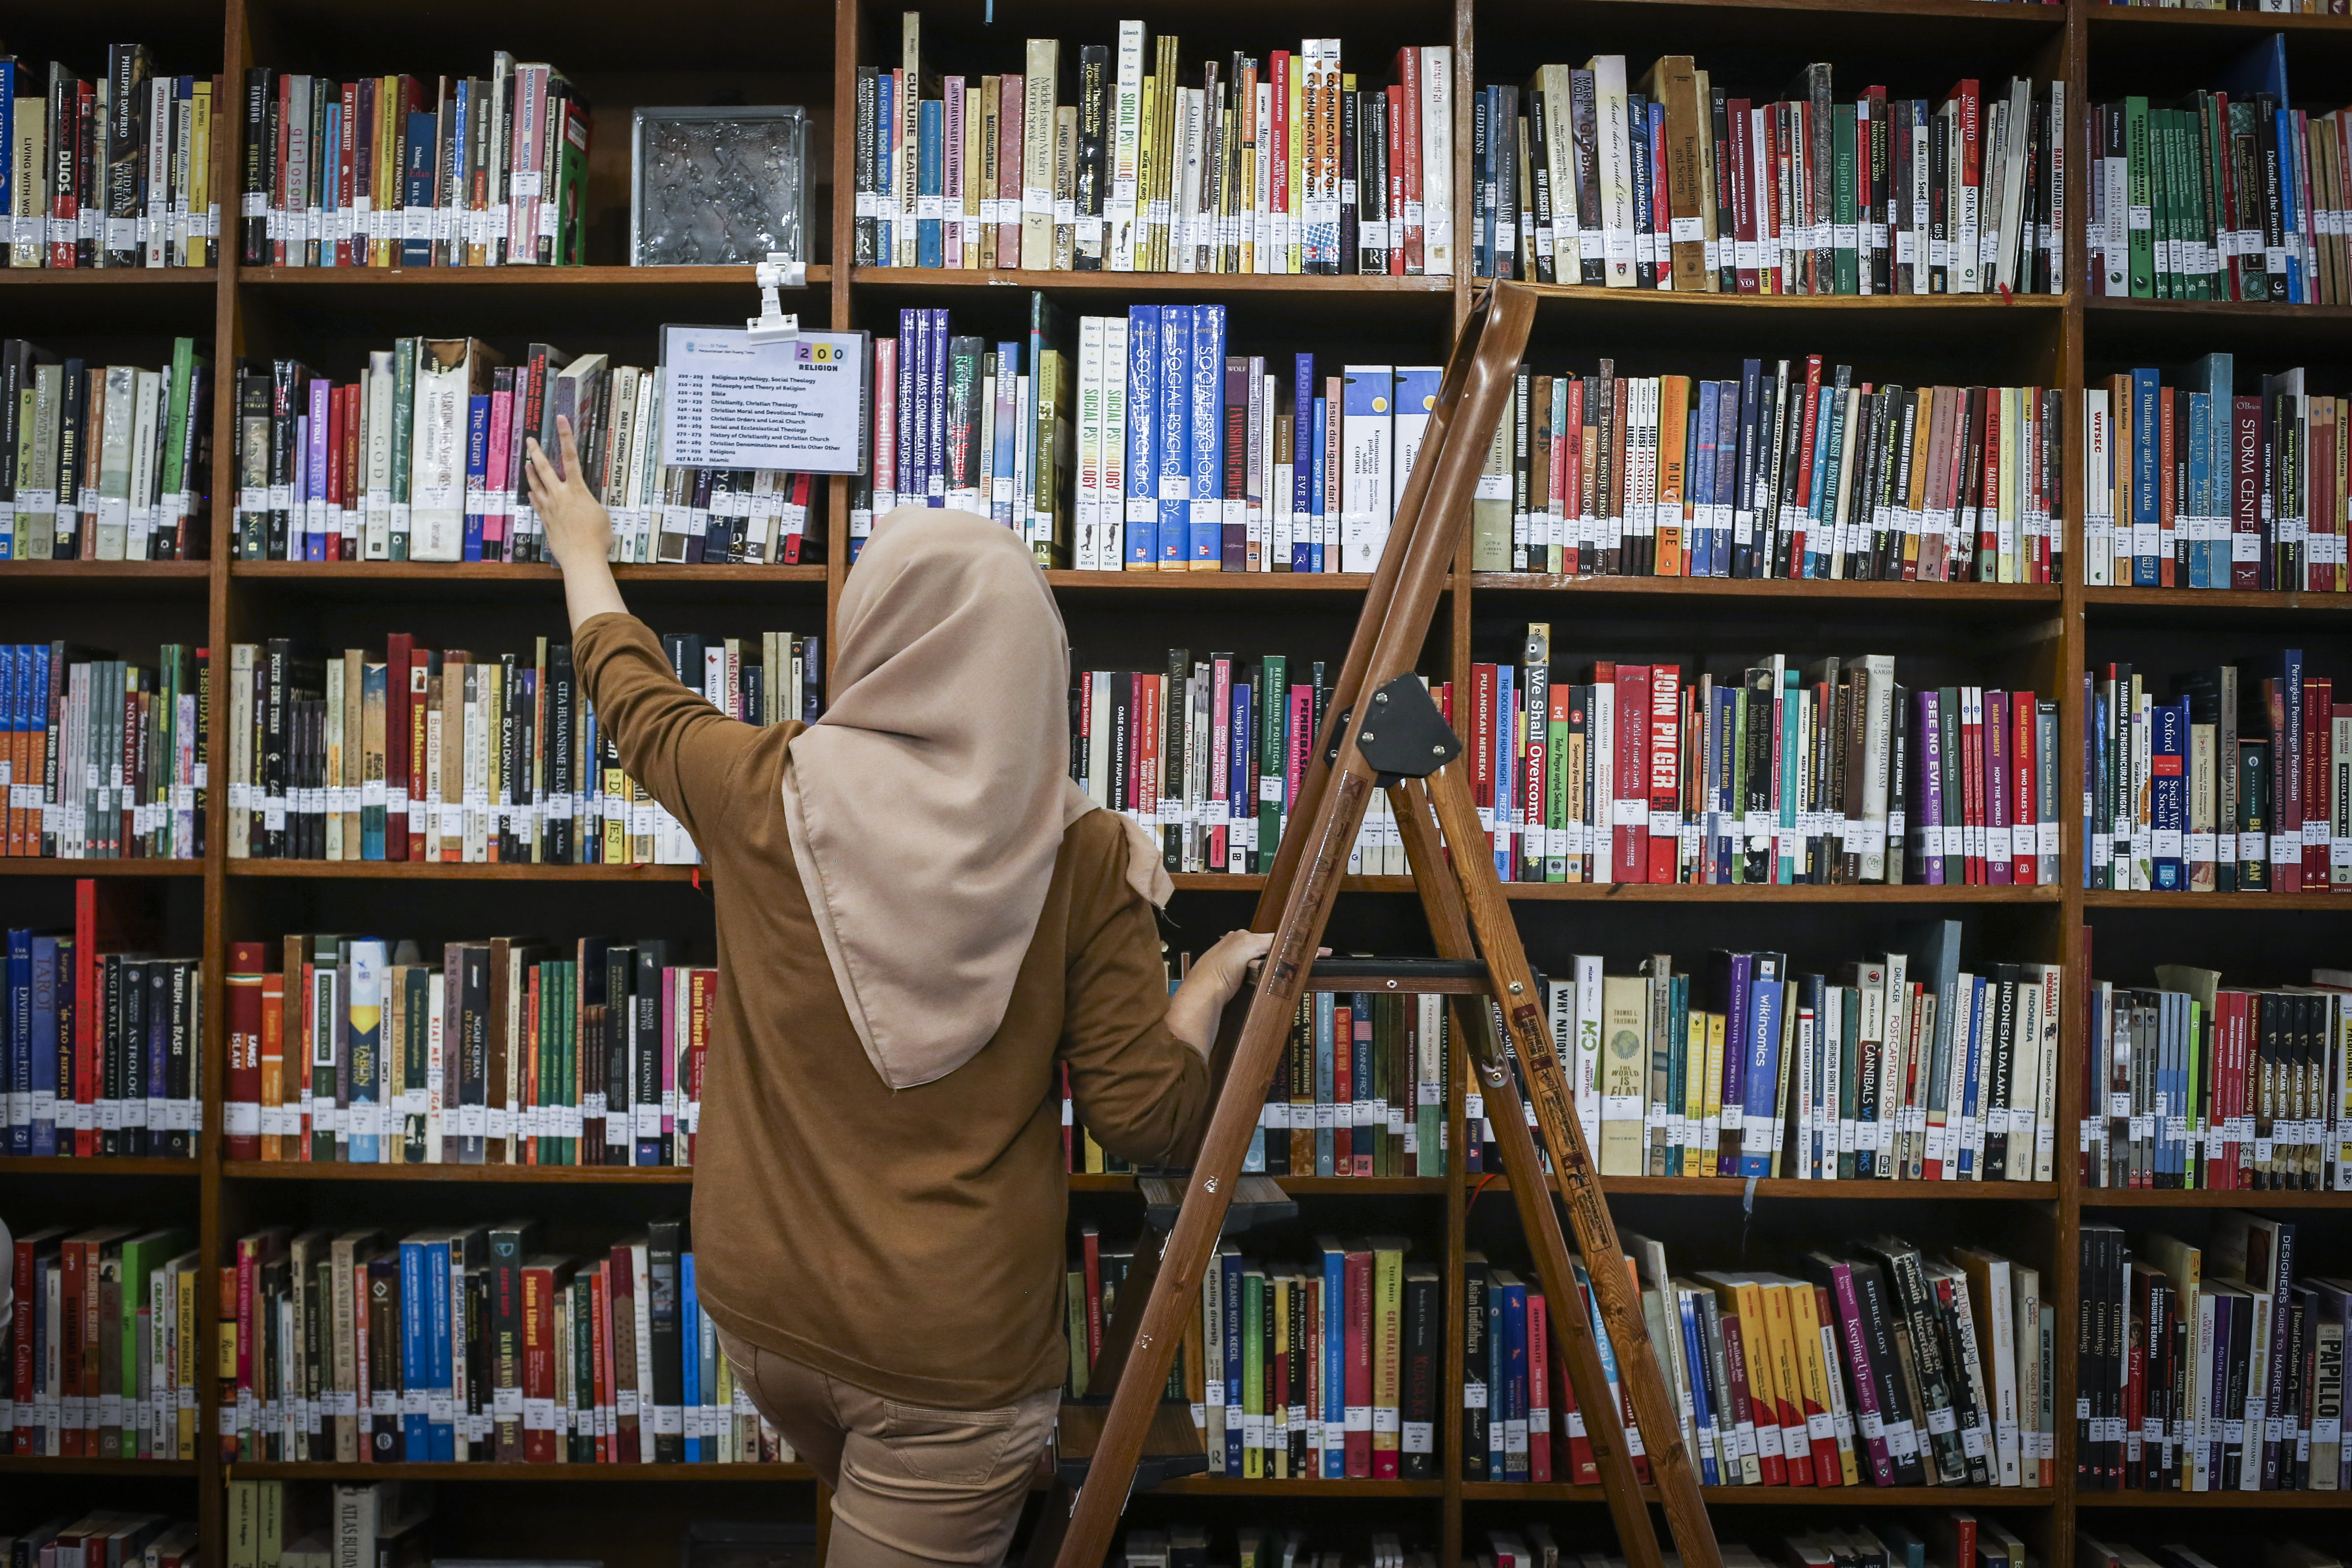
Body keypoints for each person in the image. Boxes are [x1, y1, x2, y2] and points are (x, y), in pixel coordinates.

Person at [527, 418, 1271, 1567]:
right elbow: (1146, 1120)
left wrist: (582, 544)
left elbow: (631, 695)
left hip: (762, 1315)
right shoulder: (1085, 853)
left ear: (869, 634)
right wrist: (1210, 982)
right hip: (944, 1363)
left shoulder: (759, 783)